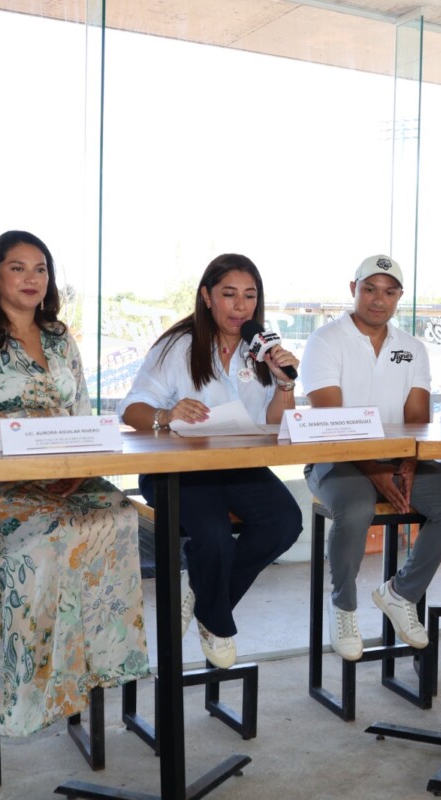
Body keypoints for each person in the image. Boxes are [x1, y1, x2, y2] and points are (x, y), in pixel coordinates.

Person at [0, 230, 148, 737]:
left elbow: (82, 416)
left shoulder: (59, 337)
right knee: (53, 534)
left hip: (66, 475)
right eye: (18, 267)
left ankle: (91, 668)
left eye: (41, 269)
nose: (32, 279)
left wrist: (78, 467)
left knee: (118, 516)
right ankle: (28, 686)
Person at [119, 253, 302, 669]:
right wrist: (165, 415)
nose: (240, 306)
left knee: (286, 522)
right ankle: (218, 620)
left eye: (250, 296)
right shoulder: (177, 345)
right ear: (206, 296)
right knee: (214, 535)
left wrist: (284, 383)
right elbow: (131, 409)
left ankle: (203, 595)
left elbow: (274, 426)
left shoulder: (262, 353)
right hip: (180, 469)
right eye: (229, 295)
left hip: (239, 464)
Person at [301, 255, 441, 660]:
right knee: (357, 507)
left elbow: (416, 418)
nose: (379, 300)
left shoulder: (411, 347)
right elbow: (330, 419)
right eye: (370, 289)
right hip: (334, 457)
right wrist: (377, 470)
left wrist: (407, 464)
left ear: (399, 297)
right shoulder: (325, 340)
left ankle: (400, 592)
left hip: (398, 458)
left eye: (389, 292)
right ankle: (343, 604)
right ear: (353, 289)